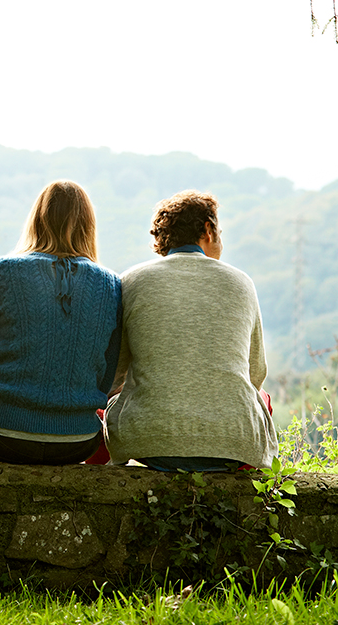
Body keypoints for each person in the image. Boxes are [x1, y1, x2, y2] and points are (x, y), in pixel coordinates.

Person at [105, 190, 277, 471]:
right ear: (208, 230)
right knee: (262, 398)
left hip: (149, 444)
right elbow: (255, 373)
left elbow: (114, 374)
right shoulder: (242, 283)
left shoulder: (131, 281)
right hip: (233, 446)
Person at [0, 180, 122, 464]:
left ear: (37, 219)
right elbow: (106, 372)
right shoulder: (110, 284)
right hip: (78, 440)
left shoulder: (0, 271)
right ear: (89, 226)